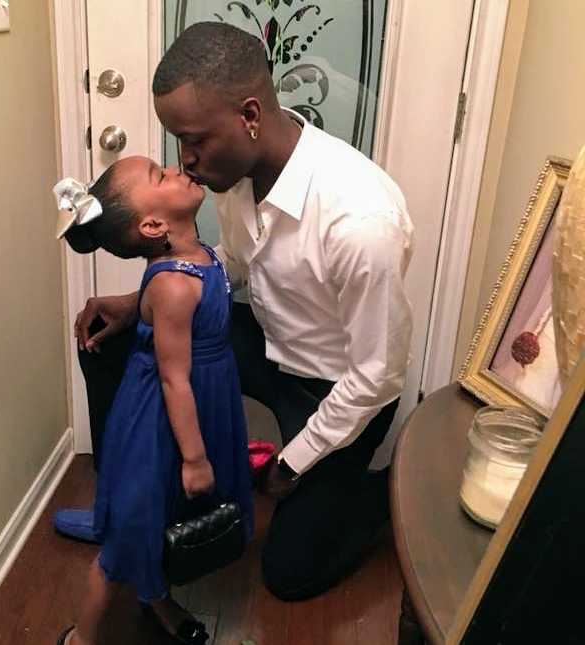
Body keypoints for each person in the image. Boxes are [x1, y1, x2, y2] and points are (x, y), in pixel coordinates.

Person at [56, 21, 414, 602]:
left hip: (338, 386)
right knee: (112, 339)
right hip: (269, 342)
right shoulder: (231, 170)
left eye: (193, 140)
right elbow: (237, 264)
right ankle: (124, 508)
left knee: (289, 575)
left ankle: (382, 494)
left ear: (250, 114)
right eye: (176, 141)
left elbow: (377, 375)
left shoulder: (360, 222)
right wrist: (134, 303)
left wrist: (289, 465)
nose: (185, 160)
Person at [53, 156, 254, 645]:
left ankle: (156, 598)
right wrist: (195, 456)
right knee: (129, 535)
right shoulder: (173, 285)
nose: (174, 168)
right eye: (159, 176)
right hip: (162, 420)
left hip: (201, 403)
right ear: (152, 224)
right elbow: (173, 379)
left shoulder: (199, 254)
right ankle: (81, 637)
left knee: (170, 513)